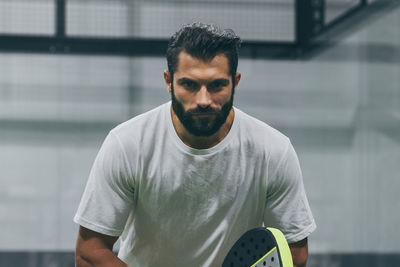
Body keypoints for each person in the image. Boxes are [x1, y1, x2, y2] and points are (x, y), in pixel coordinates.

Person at [74, 23, 316, 267]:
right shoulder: (127, 144)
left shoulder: (272, 151)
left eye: (217, 85)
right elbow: (89, 252)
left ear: (235, 82)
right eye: (189, 85)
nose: (203, 100)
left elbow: (294, 252)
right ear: (169, 82)